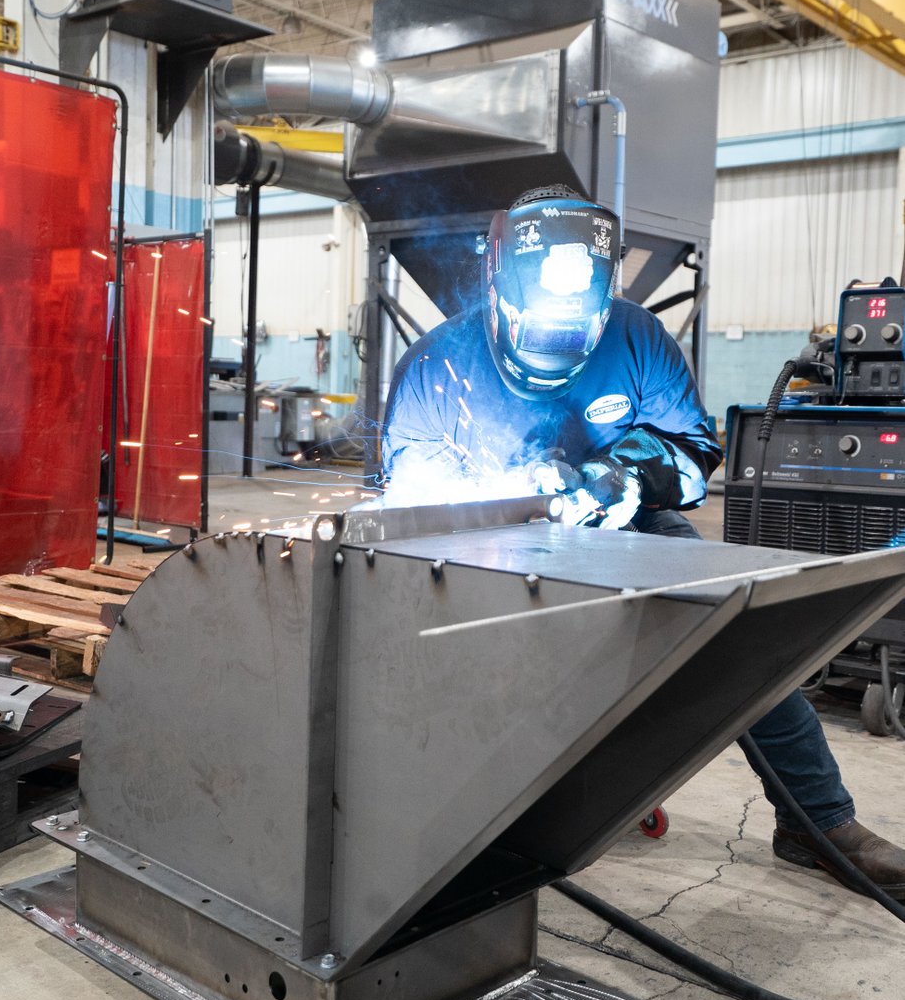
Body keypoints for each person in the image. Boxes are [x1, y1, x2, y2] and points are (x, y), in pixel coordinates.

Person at [381, 183, 905, 902]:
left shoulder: (636, 338)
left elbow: (694, 447)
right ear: (498, 283)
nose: (554, 344)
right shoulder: (436, 368)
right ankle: (443, 818)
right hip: (484, 543)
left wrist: (622, 478)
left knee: (738, 626)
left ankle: (816, 822)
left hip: (622, 523)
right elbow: (411, 502)